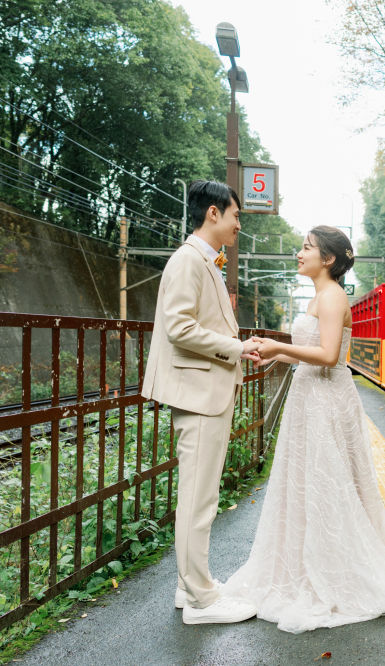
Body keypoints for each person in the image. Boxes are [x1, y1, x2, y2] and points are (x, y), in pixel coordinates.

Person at [221, 226, 385, 633]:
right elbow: (313, 352)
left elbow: (330, 355)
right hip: (312, 397)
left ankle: (333, 570)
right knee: (309, 483)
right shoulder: (319, 296)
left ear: (328, 259)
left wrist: (279, 347)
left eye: (307, 248)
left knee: (326, 482)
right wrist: (276, 357)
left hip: (326, 400)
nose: (299, 254)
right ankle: (309, 563)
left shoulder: (333, 295)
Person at [141, 180, 261, 625]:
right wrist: (236, 348)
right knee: (198, 499)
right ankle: (201, 601)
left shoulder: (200, 260)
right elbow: (179, 328)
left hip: (201, 391)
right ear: (214, 213)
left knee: (199, 496)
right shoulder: (189, 260)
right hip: (199, 393)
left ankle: (188, 586)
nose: (238, 225)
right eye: (235, 215)